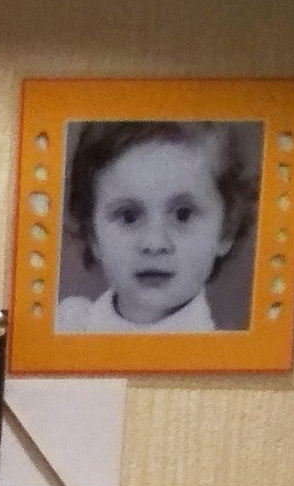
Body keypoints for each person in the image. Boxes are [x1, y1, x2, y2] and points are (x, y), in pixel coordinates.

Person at [55, 120, 258, 333]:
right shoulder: (68, 325)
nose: (155, 243)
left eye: (183, 215)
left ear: (225, 231)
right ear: (93, 235)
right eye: (129, 216)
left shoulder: (227, 350)